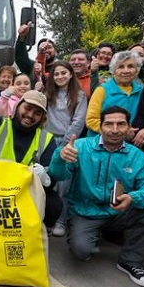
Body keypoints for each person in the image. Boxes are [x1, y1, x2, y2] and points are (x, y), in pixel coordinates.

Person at [49, 106, 144, 287]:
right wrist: (60, 157)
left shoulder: (137, 156)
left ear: (128, 128)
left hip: (120, 211)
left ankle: (130, 260)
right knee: (81, 252)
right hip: (85, 212)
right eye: (109, 124)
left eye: (121, 124)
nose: (114, 130)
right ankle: (92, 235)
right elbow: (59, 175)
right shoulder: (81, 146)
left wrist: (133, 198)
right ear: (100, 126)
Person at [0, 66, 63, 232]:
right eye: (27, 108)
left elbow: (51, 177)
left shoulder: (46, 138)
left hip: (24, 194)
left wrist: (46, 177)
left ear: (42, 118)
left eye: (37, 113)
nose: (30, 115)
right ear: (17, 107)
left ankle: (32, 229)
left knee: (54, 204)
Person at [43, 62, 87, 236]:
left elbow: (78, 121)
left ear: (70, 74)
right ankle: (47, 218)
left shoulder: (80, 95)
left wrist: (65, 143)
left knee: (64, 184)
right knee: (47, 180)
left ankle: (61, 221)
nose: (60, 76)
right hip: (47, 140)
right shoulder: (47, 94)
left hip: (69, 142)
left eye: (64, 73)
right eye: (56, 74)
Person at [86, 51, 144, 135]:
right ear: (113, 70)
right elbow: (91, 120)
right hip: (101, 143)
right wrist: (120, 131)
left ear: (137, 70)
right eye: (120, 67)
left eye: (130, 66)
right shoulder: (102, 90)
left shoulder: (142, 91)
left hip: (132, 143)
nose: (126, 71)